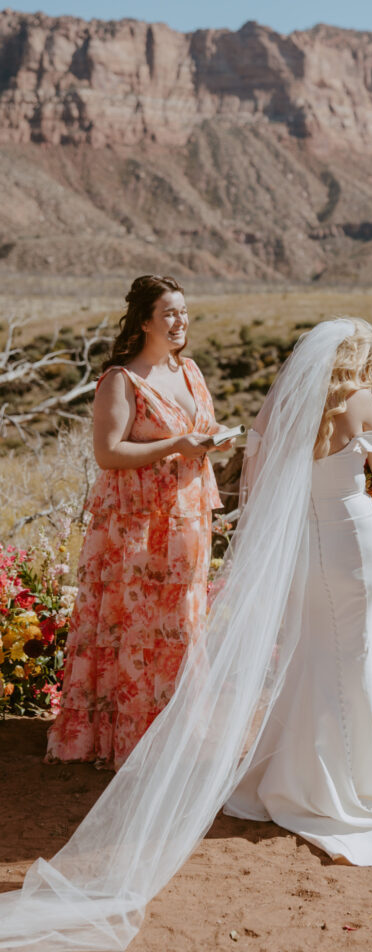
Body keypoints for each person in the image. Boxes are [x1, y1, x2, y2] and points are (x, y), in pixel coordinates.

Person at [0, 318, 372, 952]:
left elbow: (261, 475)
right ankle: (350, 782)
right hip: (352, 541)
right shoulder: (359, 403)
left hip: (301, 544)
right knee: (350, 655)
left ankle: (289, 771)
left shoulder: (286, 406)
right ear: (359, 359)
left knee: (311, 654)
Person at [46, 274, 232, 771]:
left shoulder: (189, 371)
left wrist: (214, 438)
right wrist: (175, 445)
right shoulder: (120, 380)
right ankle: (129, 740)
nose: (180, 321)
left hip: (186, 517)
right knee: (134, 626)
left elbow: (199, 428)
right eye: (170, 313)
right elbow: (109, 453)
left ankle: (179, 735)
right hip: (135, 523)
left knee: (182, 625)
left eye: (184, 312)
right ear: (145, 319)